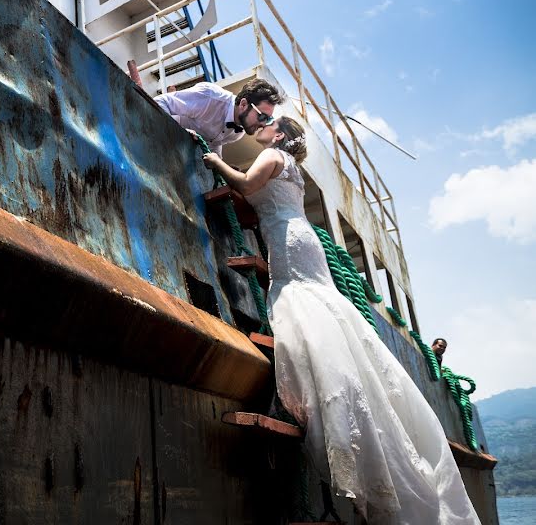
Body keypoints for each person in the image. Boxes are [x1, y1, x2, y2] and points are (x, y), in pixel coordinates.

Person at [201, 117, 480, 524]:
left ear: (279, 135)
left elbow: (244, 185)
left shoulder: (272, 155)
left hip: (289, 244)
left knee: (303, 308)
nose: (260, 125)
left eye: (268, 123)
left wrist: (216, 161)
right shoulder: (292, 166)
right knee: (320, 311)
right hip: (297, 238)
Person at [155, 79, 283, 155]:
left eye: (268, 119)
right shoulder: (209, 97)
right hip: (159, 138)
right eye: (262, 117)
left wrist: (220, 167)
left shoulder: (238, 133)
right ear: (243, 104)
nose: (263, 124)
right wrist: (173, 132)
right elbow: (161, 101)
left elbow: (214, 143)